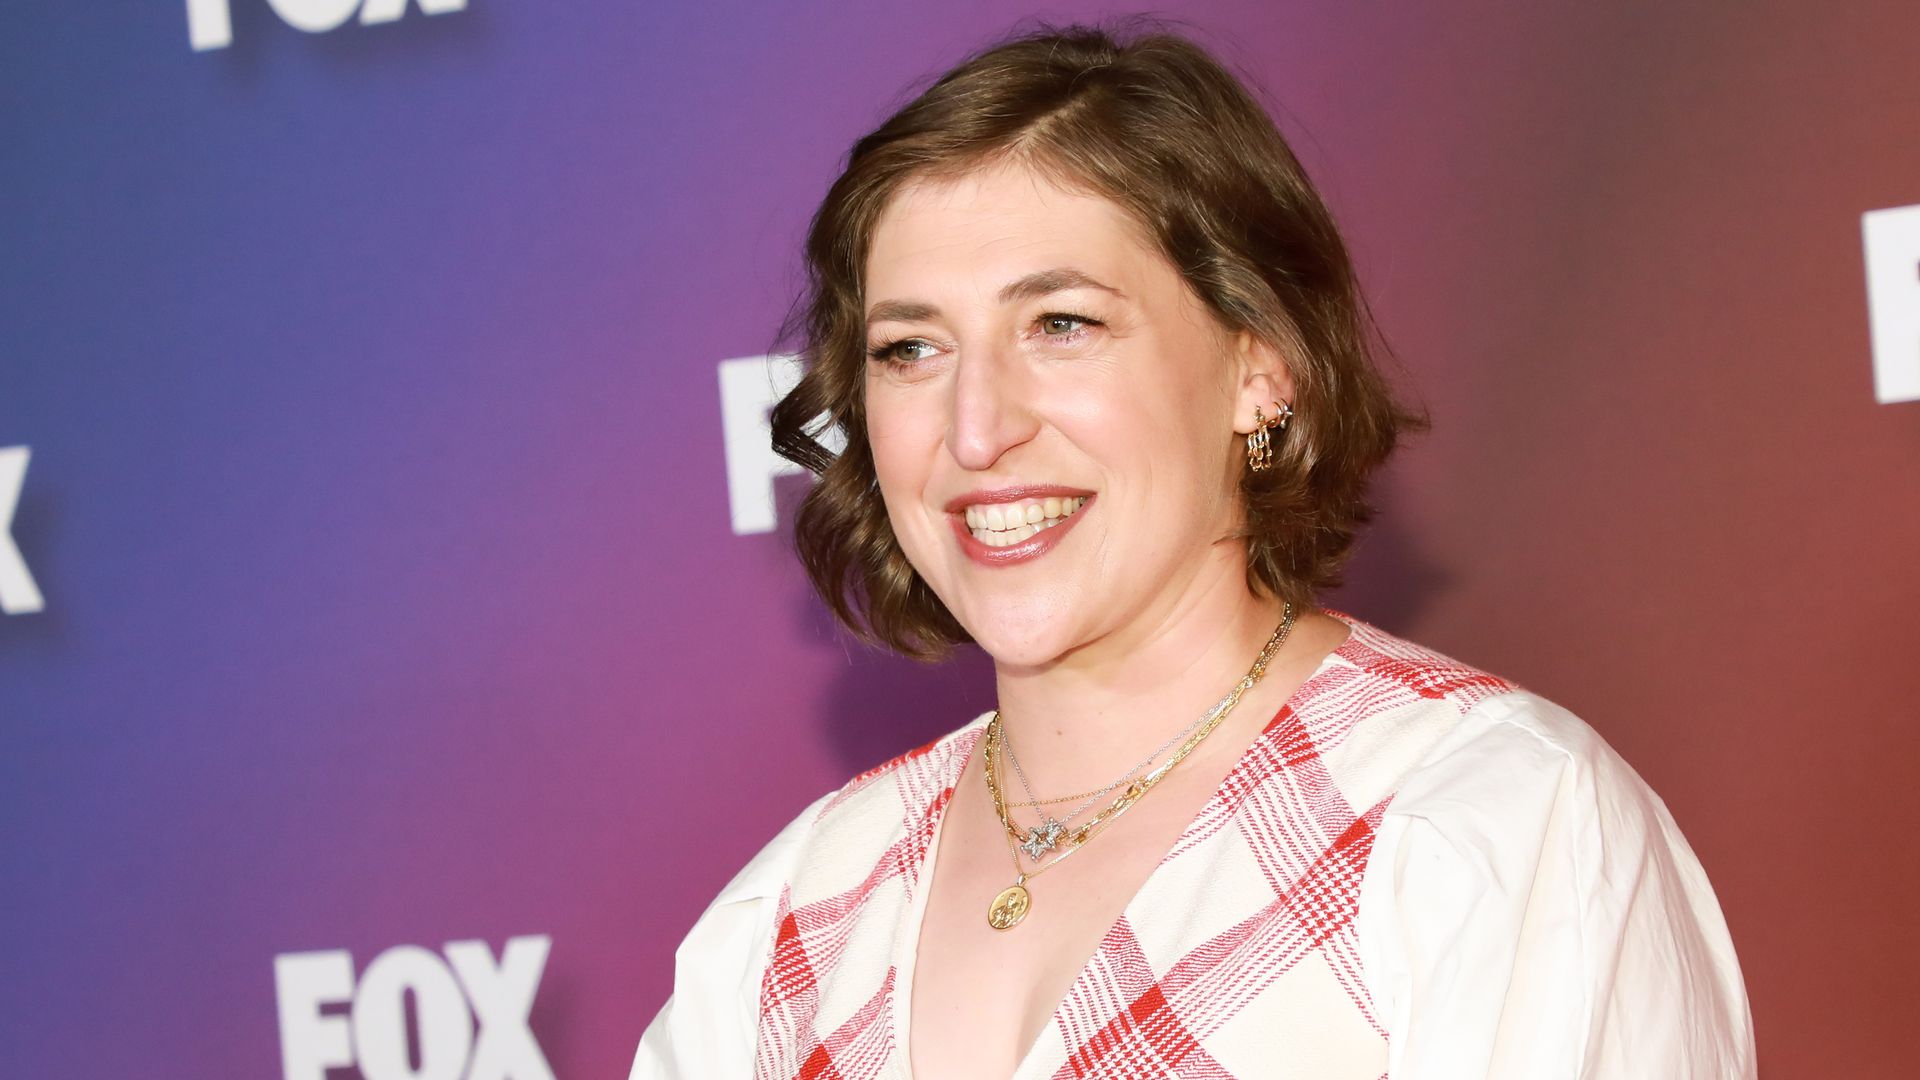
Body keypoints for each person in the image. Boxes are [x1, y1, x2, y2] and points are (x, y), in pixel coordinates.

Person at [633, 23, 1755, 1080]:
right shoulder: (791, 917)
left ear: (1258, 368)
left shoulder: (1490, 826)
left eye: (1061, 325)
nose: (975, 430)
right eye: (911, 348)